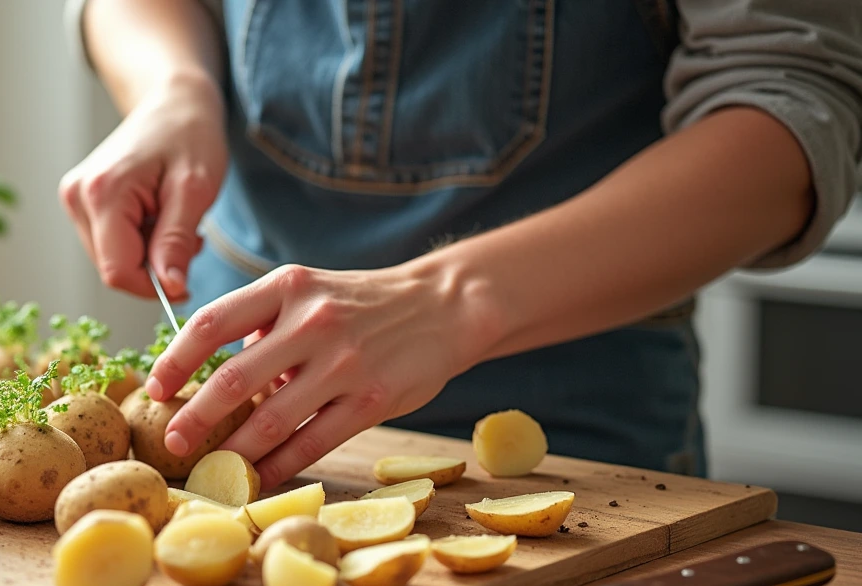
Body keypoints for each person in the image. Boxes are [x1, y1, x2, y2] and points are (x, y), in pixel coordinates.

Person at [59, 0, 862, 491]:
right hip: (229, 384)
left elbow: (790, 107)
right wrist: (173, 88)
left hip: (564, 430)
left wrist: (453, 300)